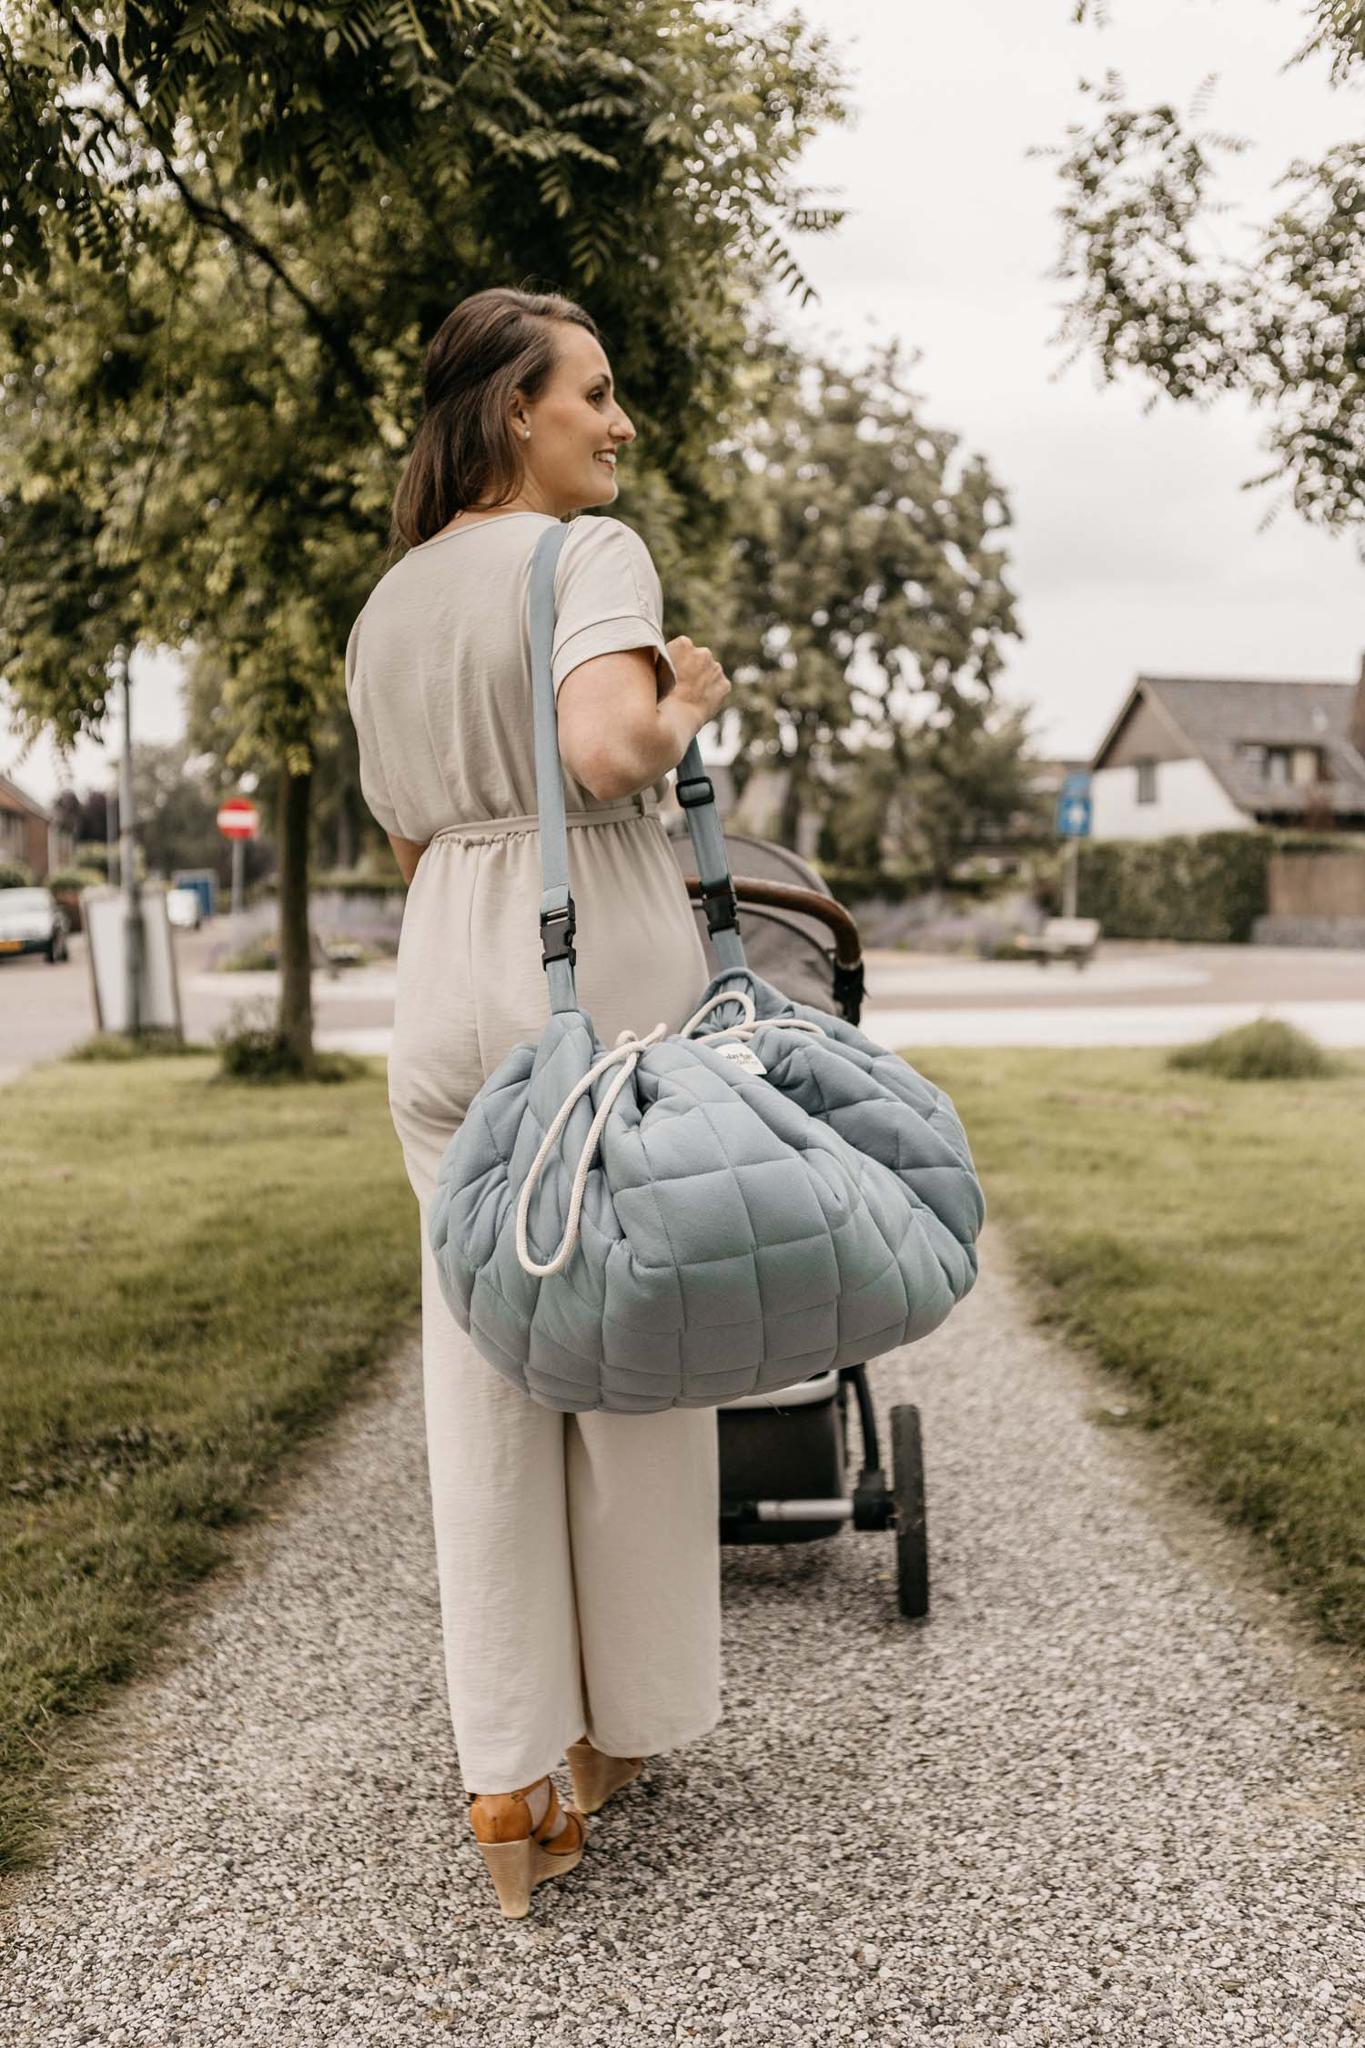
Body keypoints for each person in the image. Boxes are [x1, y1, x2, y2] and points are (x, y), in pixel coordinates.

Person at [344, 285, 733, 1919]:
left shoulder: (389, 604)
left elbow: (412, 838)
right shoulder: (593, 557)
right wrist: (684, 703)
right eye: (595, 393)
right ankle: (622, 1731)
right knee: (635, 1346)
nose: (618, 424)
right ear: (517, 410)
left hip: (444, 984)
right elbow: (600, 752)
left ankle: (506, 1777)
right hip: (599, 991)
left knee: (483, 1363)